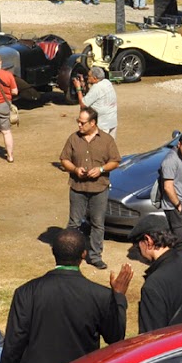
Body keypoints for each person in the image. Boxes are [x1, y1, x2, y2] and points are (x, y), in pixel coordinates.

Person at [0, 229, 131, 363]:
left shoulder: (26, 292)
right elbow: (116, 337)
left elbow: (14, 342)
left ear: (53, 252)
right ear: (84, 254)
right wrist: (118, 297)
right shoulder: (100, 296)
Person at [58, 105, 120, 269]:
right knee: (74, 223)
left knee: (98, 223)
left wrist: (100, 169)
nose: (79, 125)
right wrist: (74, 169)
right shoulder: (73, 138)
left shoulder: (107, 140)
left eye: (82, 123)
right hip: (77, 187)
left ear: (93, 123)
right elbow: (64, 159)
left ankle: (94, 256)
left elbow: (115, 161)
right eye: (78, 122)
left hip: (99, 188)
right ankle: (70, 254)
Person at [128, 215, 182, 334]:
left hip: (174, 350)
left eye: (137, 244)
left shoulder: (153, 284)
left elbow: (152, 337)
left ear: (148, 241)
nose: (138, 250)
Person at [157, 132, 182, 255]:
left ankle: (170, 260)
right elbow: (168, 187)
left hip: (179, 203)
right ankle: (177, 262)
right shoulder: (170, 161)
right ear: (179, 144)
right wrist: (178, 204)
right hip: (174, 205)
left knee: (174, 237)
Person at [79, 64, 117, 138]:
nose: (87, 77)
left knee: (99, 147)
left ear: (95, 78)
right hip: (112, 121)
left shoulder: (97, 87)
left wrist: (78, 89)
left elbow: (83, 104)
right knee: (111, 147)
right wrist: (84, 84)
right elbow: (91, 96)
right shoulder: (107, 82)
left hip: (103, 124)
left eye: (89, 76)